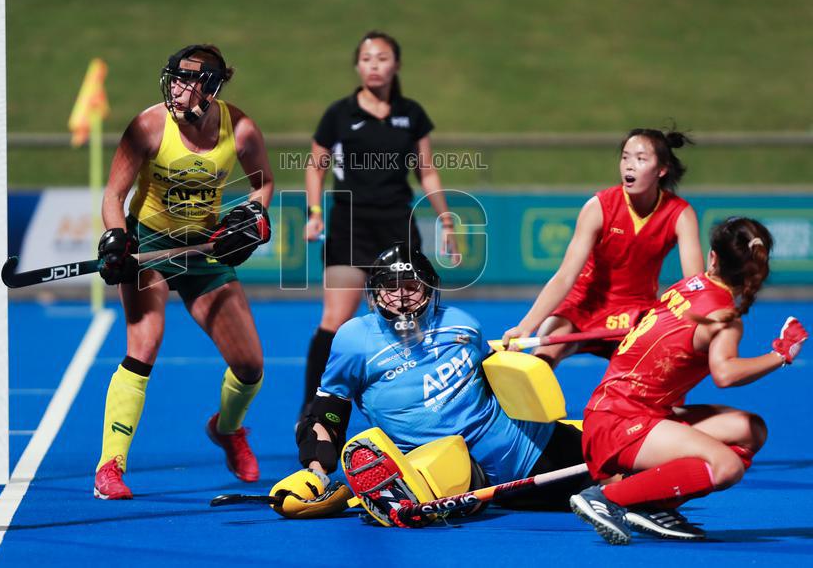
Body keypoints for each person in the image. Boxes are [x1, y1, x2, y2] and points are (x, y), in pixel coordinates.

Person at [283, 244, 590, 522]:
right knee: (452, 477)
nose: (402, 297)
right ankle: (411, 490)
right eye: (391, 288)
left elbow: (495, 381)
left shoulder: (462, 324)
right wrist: (317, 472)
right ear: (375, 294)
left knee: (622, 468)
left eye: (412, 287)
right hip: (453, 472)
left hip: (532, 446)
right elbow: (327, 411)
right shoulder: (353, 341)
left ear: (429, 290)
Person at [92, 44, 274, 499]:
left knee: (250, 365)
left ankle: (227, 429)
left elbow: (264, 182)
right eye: (174, 77)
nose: (176, 88)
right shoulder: (148, 127)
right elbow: (114, 196)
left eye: (187, 80)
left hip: (203, 248)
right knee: (144, 344)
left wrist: (254, 216)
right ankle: (109, 467)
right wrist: (116, 239)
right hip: (148, 244)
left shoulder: (241, 129)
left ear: (210, 88)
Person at [570, 217, 807, 544]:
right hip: (620, 423)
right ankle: (609, 498)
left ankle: (649, 503)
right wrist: (780, 355)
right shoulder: (724, 319)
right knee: (727, 467)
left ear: (713, 257)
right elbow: (724, 374)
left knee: (750, 429)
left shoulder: (687, 285)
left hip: (621, 409)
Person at [300, 30, 460, 419]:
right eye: (368, 58)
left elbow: (427, 172)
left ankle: (417, 406)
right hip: (349, 226)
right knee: (335, 320)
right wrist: (314, 213)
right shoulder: (339, 114)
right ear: (357, 65)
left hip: (397, 226)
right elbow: (315, 168)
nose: (375, 65)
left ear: (396, 65)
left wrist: (446, 220)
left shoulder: (412, 114)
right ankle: (313, 409)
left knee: (410, 315)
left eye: (383, 58)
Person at [503, 128, 704, 367]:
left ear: (661, 169)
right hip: (583, 305)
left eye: (640, 159)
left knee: (648, 376)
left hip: (636, 312)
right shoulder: (599, 207)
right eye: (625, 157)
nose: (629, 165)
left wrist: (699, 322)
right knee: (541, 362)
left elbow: (694, 284)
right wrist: (526, 327)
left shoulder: (680, 214)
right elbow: (565, 276)